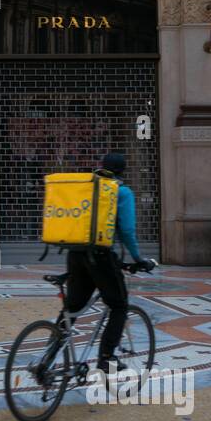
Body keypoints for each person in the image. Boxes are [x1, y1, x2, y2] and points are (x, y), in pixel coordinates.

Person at [62, 152, 155, 373]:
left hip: (75, 254)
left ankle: (48, 354)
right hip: (101, 257)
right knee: (119, 305)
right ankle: (106, 358)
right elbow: (127, 231)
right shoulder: (121, 192)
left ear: (101, 167)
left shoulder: (88, 187)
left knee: (72, 308)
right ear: (123, 171)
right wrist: (138, 259)